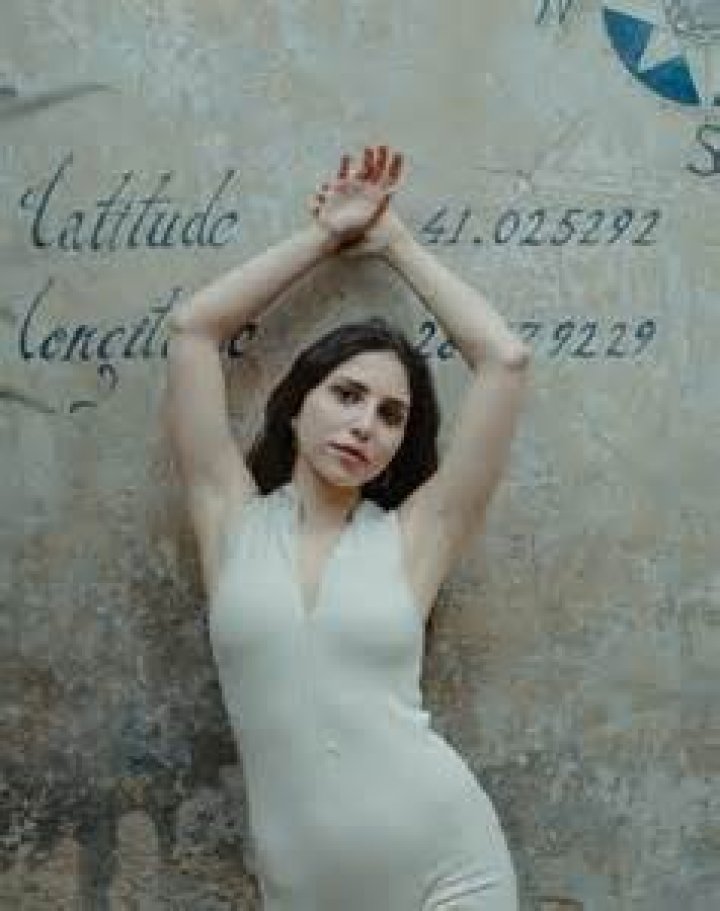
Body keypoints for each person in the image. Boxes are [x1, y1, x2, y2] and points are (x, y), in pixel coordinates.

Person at [162, 144, 530, 910]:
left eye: (391, 415)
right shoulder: (230, 519)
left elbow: (505, 359)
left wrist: (394, 242)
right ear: (297, 405)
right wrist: (326, 237)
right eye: (347, 394)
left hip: (450, 873)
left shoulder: (415, 535)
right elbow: (194, 329)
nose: (365, 424)